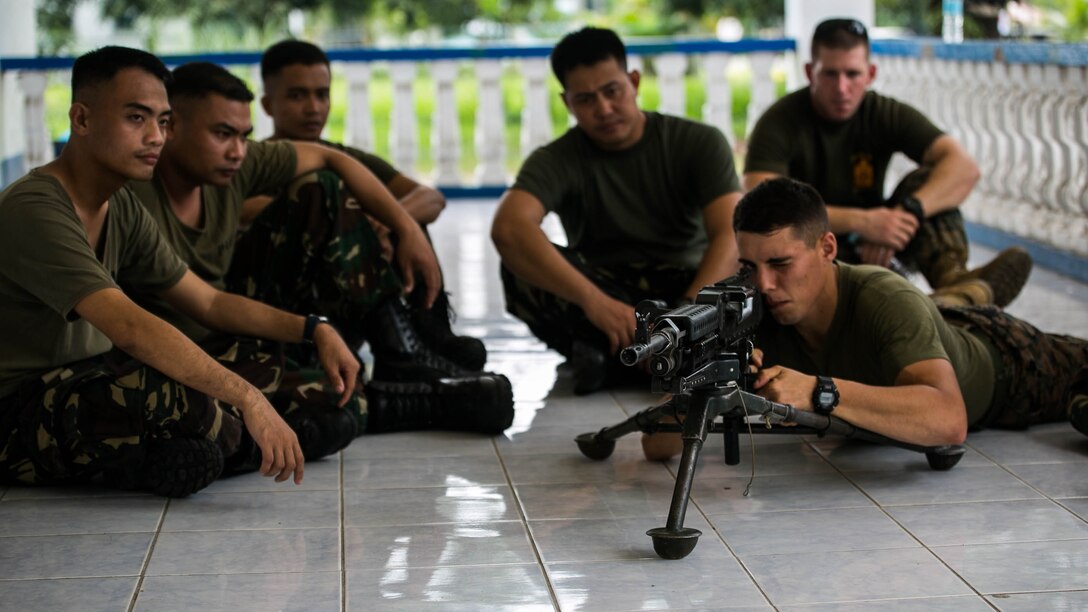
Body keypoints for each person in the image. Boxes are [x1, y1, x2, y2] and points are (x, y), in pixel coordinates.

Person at [0, 47, 360, 497]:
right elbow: (129, 327)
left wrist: (314, 329)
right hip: (20, 410)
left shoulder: (121, 202)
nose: (156, 136)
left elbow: (206, 300)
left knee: (264, 363)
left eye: (163, 121)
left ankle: (189, 453)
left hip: (93, 380)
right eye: (136, 118)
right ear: (82, 119)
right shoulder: (34, 207)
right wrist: (247, 398)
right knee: (175, 391)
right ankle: (266, 440)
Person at [128, 62, 513, 436]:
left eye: (244, 136)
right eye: (223, 134)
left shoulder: (238, 165)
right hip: (181, 348)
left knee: (325, 188)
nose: (237, 151)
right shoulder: (131, 196)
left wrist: (405, 227)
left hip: (237, 321)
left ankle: (403, 357)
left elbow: (332, 159)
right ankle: (407, 402)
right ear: (171, 126)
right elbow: (200, 306)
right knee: (319, 402)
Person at [491, 26, 745, 395]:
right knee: (518, 268)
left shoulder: (698, 142)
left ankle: (610, 360)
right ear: (567, 103)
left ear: (634, 81)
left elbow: (731, 234)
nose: (604, 109)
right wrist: (594, 302)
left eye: (612, 92)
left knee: (746, 284)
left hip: (687, 284)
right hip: (606, 296)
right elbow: (509, 228)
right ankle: (641, 358)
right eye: (586, 100)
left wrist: (685, 315)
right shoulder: (558, 158)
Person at [743, 17, 1032, 309]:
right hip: (813, 252)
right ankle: (958, 302)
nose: (842, 87)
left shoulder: (882, 111)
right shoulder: (779, 121)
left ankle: (953, 281)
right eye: (830, 74)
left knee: (926, 182)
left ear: (870, 74)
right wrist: (864, 223)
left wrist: (904, 216)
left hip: (881, 249)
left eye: (852, 74)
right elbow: (759, 204)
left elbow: (963, 168)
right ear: (809, 72)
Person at [253, 39, 486, 371]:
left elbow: (431, 198)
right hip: (293, 309)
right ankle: (398, 355)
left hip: (350, 306)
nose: (313, 107)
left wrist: (389, 222)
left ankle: (430, 336)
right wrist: (356, 225)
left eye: (322, 94)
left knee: (408, 220)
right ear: (267, 104)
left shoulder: (345, 157)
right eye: (297, 95)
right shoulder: (250, 163)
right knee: (339, 205)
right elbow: (249, 213)